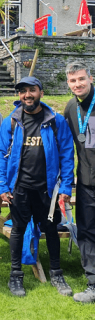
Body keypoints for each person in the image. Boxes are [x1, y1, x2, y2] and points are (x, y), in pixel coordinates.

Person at [0, 77, 74, 297]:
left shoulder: (56, 121)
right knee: (18, 230)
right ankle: (15, 276)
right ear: (19, 95)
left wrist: (66, 186)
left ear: (41, 92)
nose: (27, 95)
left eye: (32, 90)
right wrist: (2, 185)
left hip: (47, 190)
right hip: (19, 188)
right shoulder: (10, 121)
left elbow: (67, 155)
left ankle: (57, 274)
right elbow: (1, 154)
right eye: (23, 91)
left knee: (51, 230)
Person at [64, 61, 95, 302]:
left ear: (91, 78)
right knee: (86, 232)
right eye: (73, 81)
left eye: (81, 79)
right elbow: (66, 147)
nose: (78, 84)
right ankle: (93, 284)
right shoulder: (70, 108)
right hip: (85, 182)